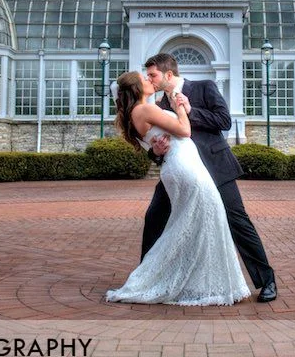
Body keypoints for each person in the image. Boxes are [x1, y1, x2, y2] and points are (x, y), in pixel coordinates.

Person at [105, 71, 251, 305]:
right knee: (201, 221)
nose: (148, 80)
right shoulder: (145, 109)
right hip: (185, 168)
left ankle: (192, 279)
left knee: (192, 223)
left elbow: (156, 143)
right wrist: (181, 106)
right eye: (144, 79)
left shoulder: (136, 114)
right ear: (136, 89)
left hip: (179, 166)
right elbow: (185, 130)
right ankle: (165, 278)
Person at [143, 53, 277, 302]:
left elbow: (224, 121)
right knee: (154, 216)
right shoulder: (158, 107)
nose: (148, 79)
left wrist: (191, 111)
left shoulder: (204, 87)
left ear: (168, 75)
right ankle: (144, 279)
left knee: (238, 220)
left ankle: (267, 280)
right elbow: (158, 146)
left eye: (152, 75)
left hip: (214, 167)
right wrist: (156, 153)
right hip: (181, 172)